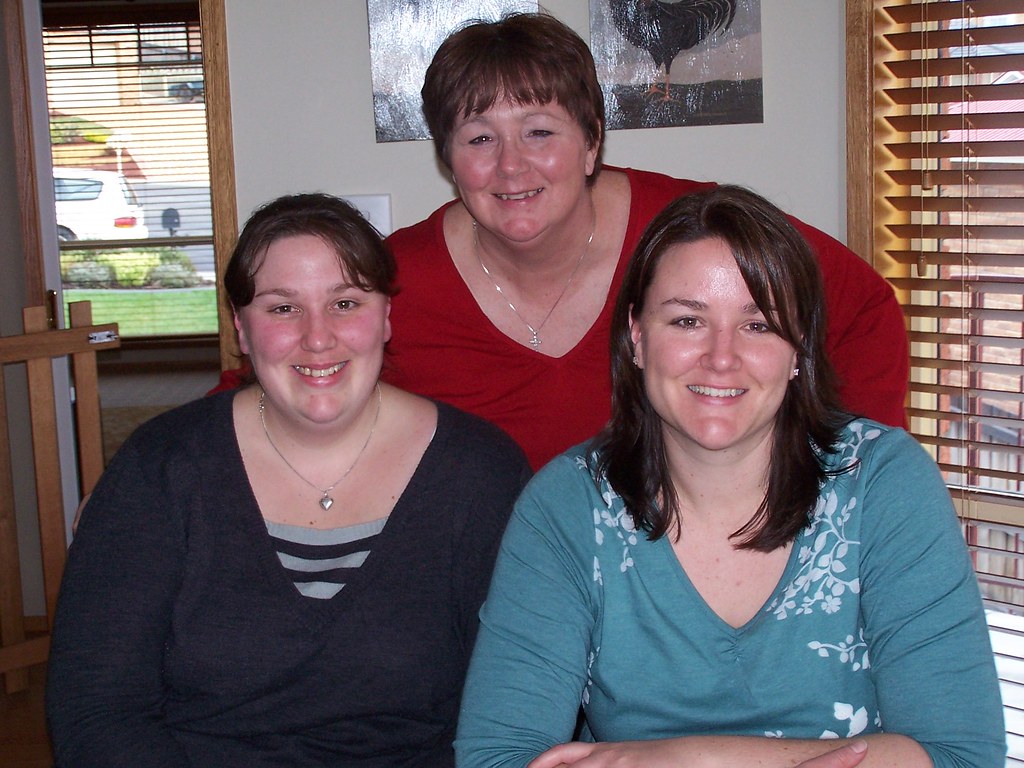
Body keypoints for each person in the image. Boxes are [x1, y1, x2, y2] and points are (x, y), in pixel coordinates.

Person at [454, 186, 1005, 768]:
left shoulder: (882, 483)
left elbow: (962, 755)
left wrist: (658, 761)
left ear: (799, 351)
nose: (721, 357)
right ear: (637, 338)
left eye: (759, 325)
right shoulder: (566, 505)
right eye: (688, 320)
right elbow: (499, 757)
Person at [46, 194, 531, 767]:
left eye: (346, 302)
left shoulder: (480, 474)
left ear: (387, 318)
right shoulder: (160, 469)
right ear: (240, 329)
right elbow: (96, 710)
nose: (318, 337)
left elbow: (514, 708)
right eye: (282, 308)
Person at [381, 12, 909, 470]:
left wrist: (842, 480)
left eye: (539, 131)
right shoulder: (391, 282)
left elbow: (861, 309)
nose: (511, 164)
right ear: (449, 159)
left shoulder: (693, 232)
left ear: (591, 142)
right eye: (479, 138)